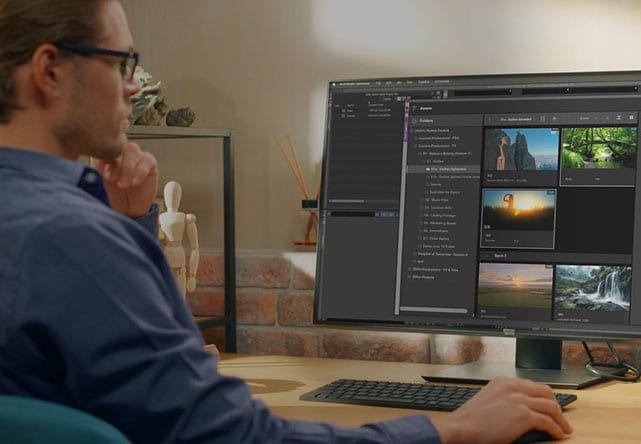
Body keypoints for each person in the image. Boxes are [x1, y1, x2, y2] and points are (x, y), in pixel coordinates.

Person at [0, 1, 574, 443]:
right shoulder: (72, 238)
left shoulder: (48, 225)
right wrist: (453, 428)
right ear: (49, 70)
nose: (135, 85)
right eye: (121, 63)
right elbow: (237, 438)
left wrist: (128, 222)